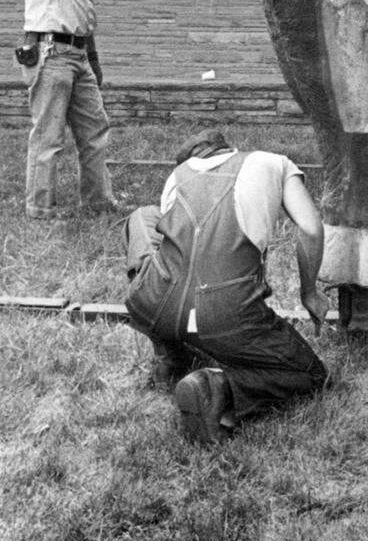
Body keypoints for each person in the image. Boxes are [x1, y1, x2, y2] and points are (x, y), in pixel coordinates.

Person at [124, 128, 330, 446]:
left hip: (153, 304)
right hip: (226, 315)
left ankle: (171, 355)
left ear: (191, 162)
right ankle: (217, 387)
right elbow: (312, 229)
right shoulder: (274, 163)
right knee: (310, 374)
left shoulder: (177, 177)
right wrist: (309, 293)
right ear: (227, 150)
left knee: (142, 217)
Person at [0, 0, 119, 220]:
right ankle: (41, 210)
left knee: (95, 132)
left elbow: (84, 10)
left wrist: (93, 60)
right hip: (50, 52)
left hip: (80, 55)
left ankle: (99, 203)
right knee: (49, 137)